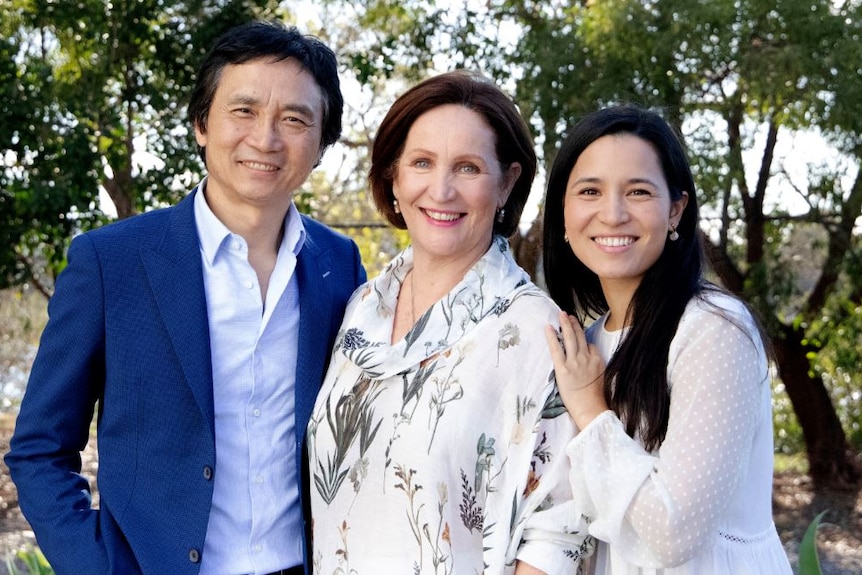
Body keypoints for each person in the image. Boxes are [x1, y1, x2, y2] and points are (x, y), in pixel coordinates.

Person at [5, 20, 366, 575]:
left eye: (295, 119)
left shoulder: (338, 265)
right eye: (242, 111)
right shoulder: (111, 261)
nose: (266, 138)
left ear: (320, 143)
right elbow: (39, 451)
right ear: (201, 123)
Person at [306, 70, 593, 574]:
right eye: (421, 163)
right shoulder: (359, 309)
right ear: (394, 177)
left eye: (467, 167)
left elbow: (559, 531)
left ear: (507, 182)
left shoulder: (537, 332)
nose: (441, 189)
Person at [542, 104, 793, 574]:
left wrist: (591, 409)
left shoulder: (713, 330)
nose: (612, 214)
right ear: (563, 212)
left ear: (675, 209)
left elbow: (674, 533)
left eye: (638, 191)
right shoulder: (587, 345)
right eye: (590, 191)